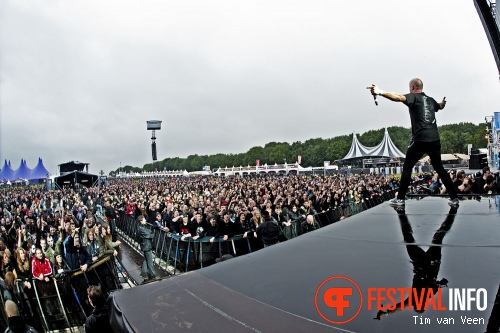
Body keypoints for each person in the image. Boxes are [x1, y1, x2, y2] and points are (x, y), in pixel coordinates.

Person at [367, 78, 459, 206]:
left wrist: (380, 92)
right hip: (435, 138)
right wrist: (442, 103)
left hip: (421, 138)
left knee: (407, 167)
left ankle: (400, 199)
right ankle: (454, 198)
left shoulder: (414, 97)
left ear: (412, 87)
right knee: (439, 168)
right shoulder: (431, 100)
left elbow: (398, 97)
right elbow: (440, 106)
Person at [137, 215, 156, 281]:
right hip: (146, 246)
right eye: (144, 219)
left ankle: (143, 274)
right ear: (141, 221)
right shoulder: (141, 228)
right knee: (150, 260)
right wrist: (152, 233)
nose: (145, 220)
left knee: (146, 260)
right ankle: (153, 274)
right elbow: (150, 235)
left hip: (144, 246)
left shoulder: (140, 227)